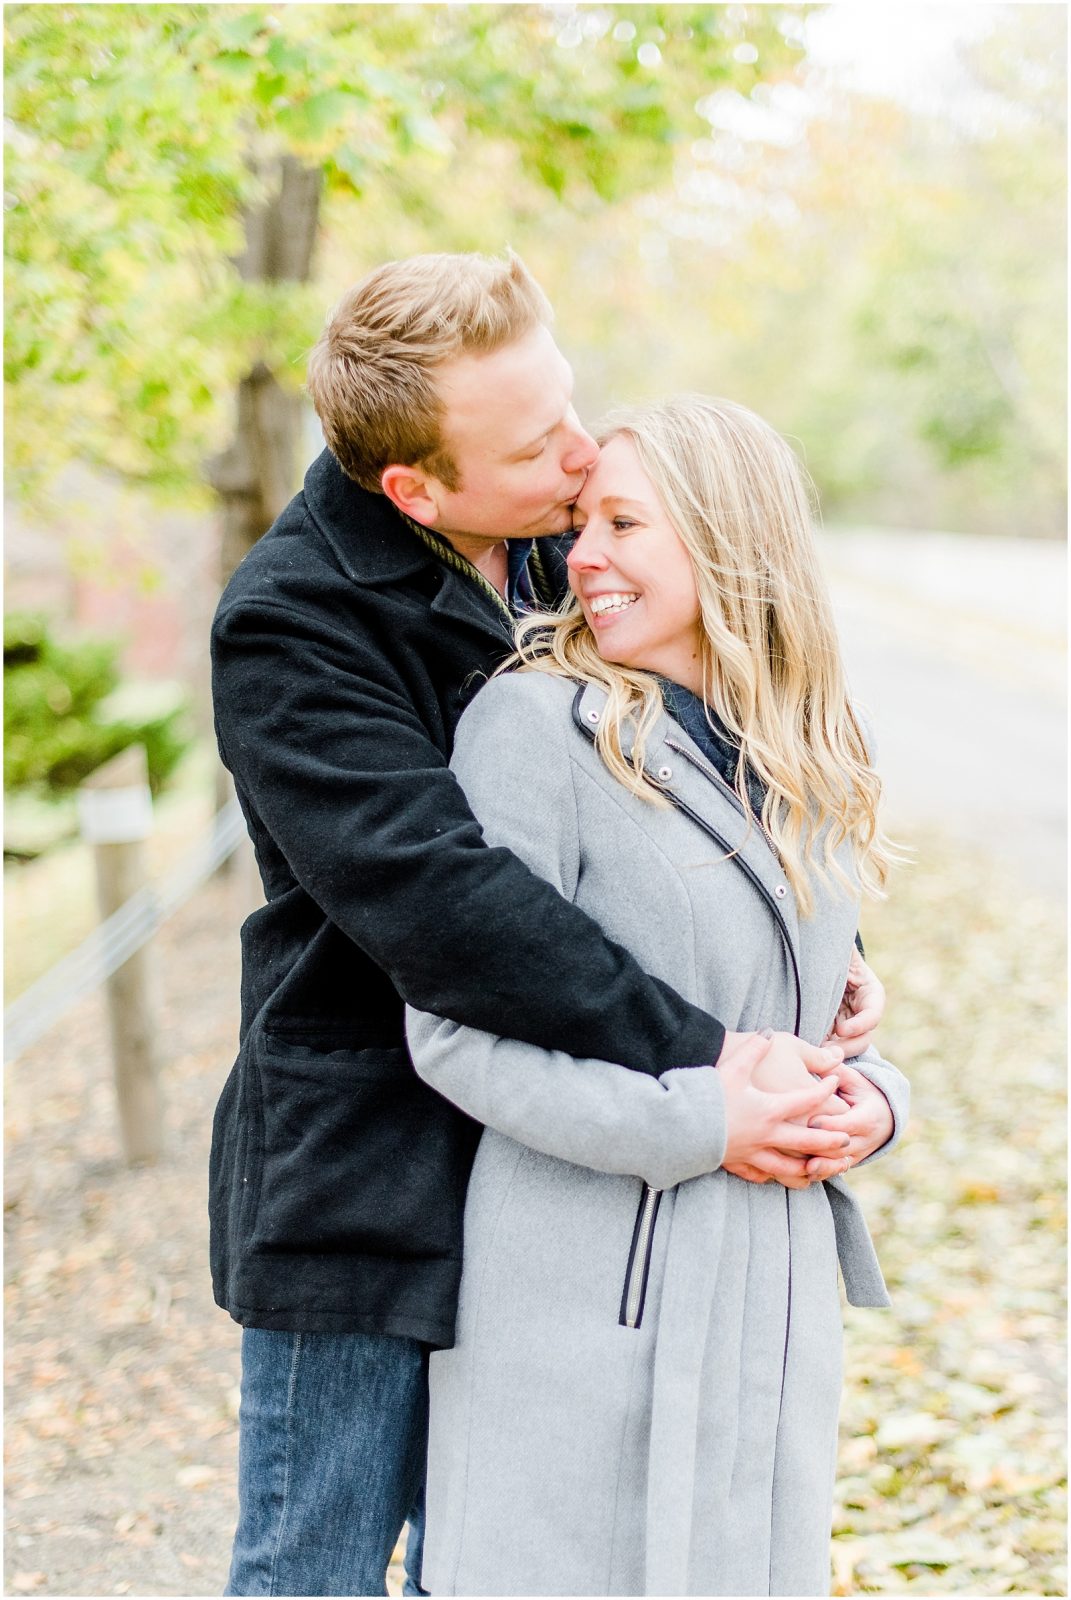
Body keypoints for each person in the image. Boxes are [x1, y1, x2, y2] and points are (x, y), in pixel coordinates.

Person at [210, 252, 891, 1597]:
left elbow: (668, 800)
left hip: (568, 1173)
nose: (579, 459)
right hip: (370, 1171)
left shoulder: (557, 540)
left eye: (567, 405)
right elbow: (448, 903)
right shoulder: (292, 627)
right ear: (414, 489)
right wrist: (709, 1049)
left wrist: (807, 960)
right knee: (321, 1565)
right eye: (536, 445)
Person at [407, 395, 910, 1597]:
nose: (582, 555)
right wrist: (706, 1122)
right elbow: (455, 1036)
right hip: (585, 1290)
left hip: (771, 1298)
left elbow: (823, 1013)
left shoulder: (812, 750)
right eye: (582, 520)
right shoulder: (531, 730)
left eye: (624, 522)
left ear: (727, 537)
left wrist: (877, 1106)